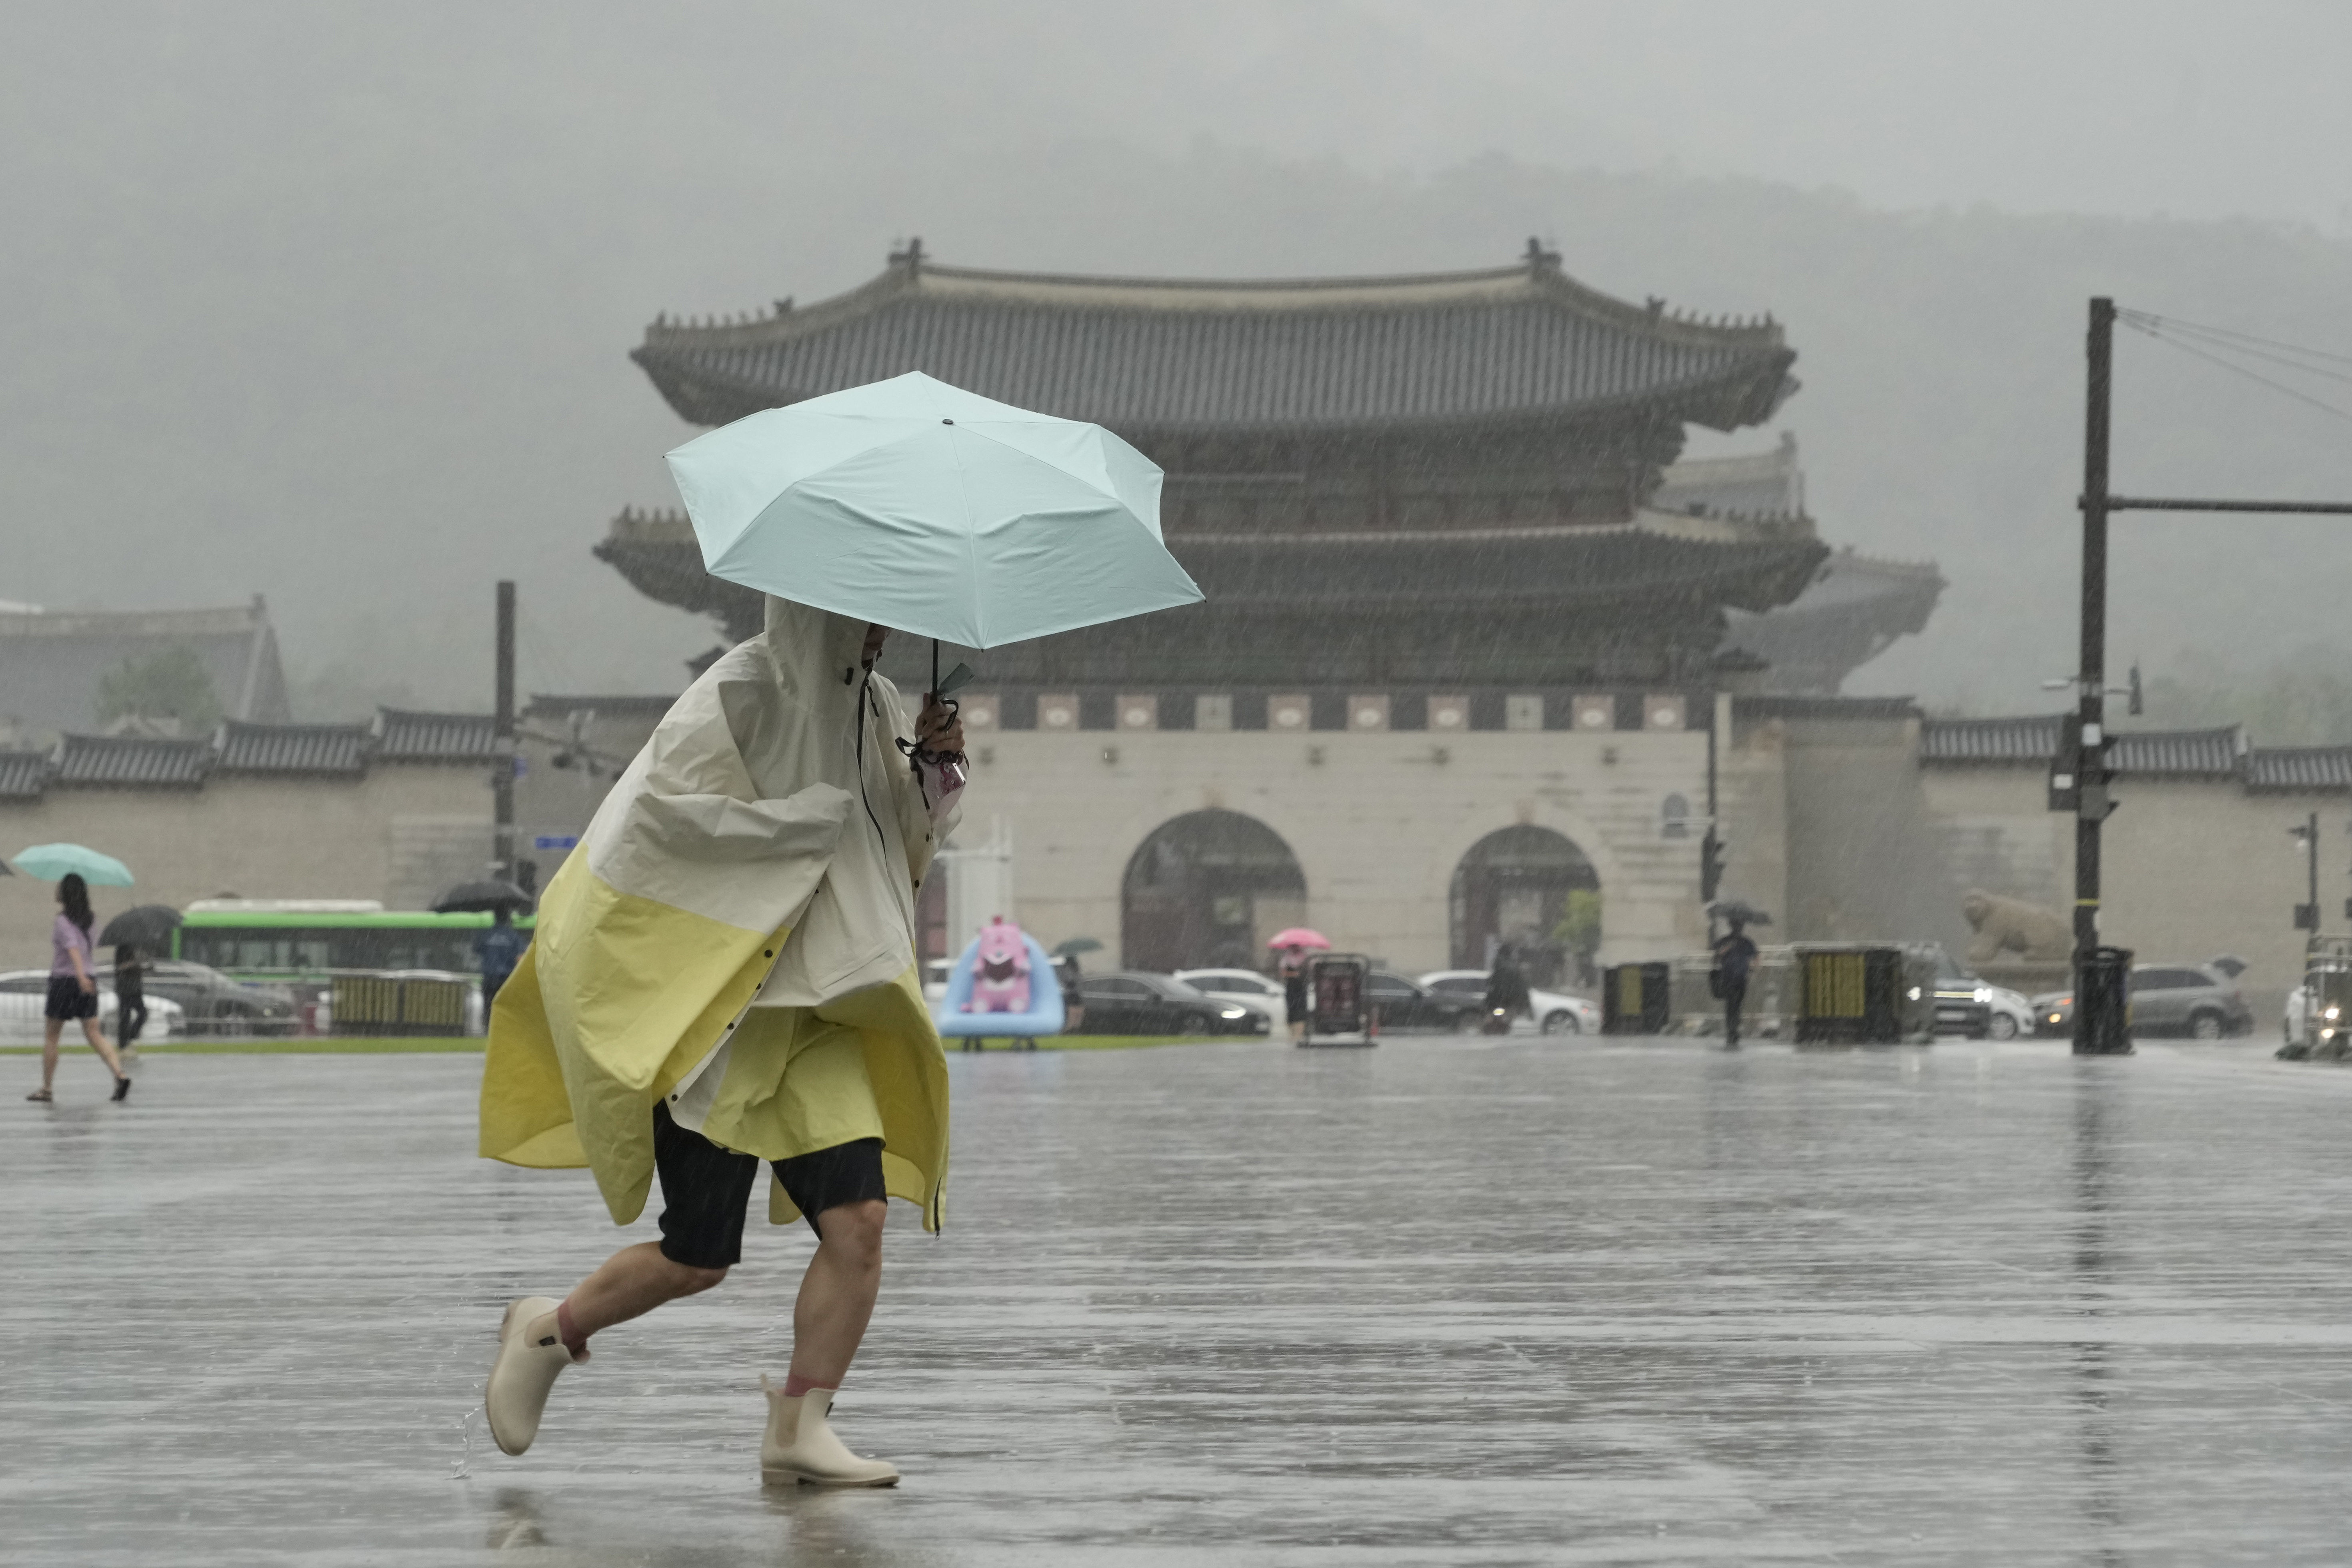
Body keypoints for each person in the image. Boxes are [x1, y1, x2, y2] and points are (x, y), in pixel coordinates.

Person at [477, 599, 963, 1487]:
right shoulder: (740, 690)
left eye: (887, 614)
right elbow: (657, 827)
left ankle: (800, 1422)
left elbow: (903, 841)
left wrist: (934, 767)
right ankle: (550, 1330)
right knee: (696, 1257)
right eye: (861, 613)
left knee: (859, 1224)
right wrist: (800, 827)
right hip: (718, 1009)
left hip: (821, 1005)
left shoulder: (885, 704)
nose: (878, 631)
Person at [28, 874, 131, 1103]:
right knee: (94, 1033)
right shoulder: (92, 920)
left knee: (52, 1036)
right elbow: (86, 948)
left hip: (66, 981)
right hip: (89, 979)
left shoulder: (63, 921)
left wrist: (80, 976)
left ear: (65, 893)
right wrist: (86, 977)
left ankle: (47, 1089)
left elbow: (73, 949)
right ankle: (119, 1075)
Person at [1712, 916, 1760, 1047]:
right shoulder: (1726, 941)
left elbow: (1755, 956)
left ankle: (1733, 1029)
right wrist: (1726, 949)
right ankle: (1732, 1030)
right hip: (1730, 978)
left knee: (1735, 1005)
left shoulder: (1745, 942)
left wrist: (1751, 968)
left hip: (1739, 978)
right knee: (1732, 1005)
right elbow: (1716, 957)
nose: (1737, 929)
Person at [474, 906, 526, 1010]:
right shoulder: (514, 936)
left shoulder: (486, 935)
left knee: (489, 1009)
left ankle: (488, 1024)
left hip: (489, 979)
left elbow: (476, 950)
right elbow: (520, 958)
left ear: (495, 917)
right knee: (504, 1010)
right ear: (508, 918)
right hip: (506, 980)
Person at [1482, 945, 1532, 1035]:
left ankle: (1491, 1025)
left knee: (1493, 1014)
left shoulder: (1499, 966)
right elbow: (1520, 985)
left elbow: (1492, 982)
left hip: (1498, 999)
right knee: (1506, 1016)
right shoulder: (1512, 967)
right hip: (1508, 999)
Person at [114, 942, 148, 1049]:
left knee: (143, 1013)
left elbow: (146, 966)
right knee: (125, 1016)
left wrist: (143, 965)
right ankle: (123, 1043)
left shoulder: (139, 949)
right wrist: (133, 964)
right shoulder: (123, 949)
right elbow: (119, 968)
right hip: (125, 989)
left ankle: (131, 1035)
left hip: (136, 989)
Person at [1280, 948, 1308, 1043]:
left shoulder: (1305, 959)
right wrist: (1294, 974)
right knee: (1291, 1012)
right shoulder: (1286, 959)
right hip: (1291, 989)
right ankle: (1292, 1035)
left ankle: (1299, 1035)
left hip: (1301, 988)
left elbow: (1308, 973)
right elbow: (1283, 973)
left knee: (1301, 1012)